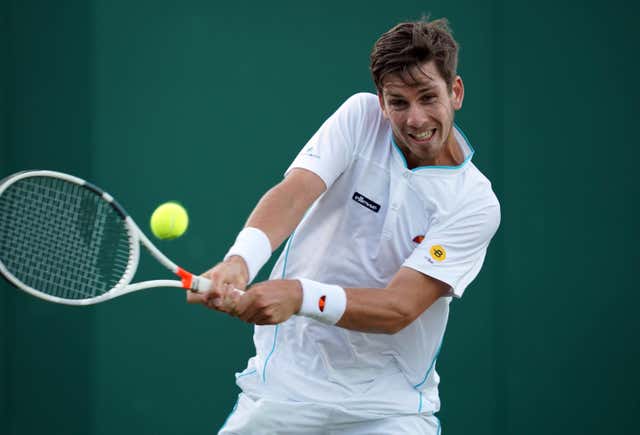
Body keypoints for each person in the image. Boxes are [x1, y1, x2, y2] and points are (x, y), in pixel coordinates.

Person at [189, 17, 500, 435]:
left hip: (388, 412)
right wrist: (240, 261)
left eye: (429, 97)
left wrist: (299, 295)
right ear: (380, 100)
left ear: (455, 91)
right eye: (399, 102)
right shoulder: (358, 117)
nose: (415, 118)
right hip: (285, 392)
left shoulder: (474, 203)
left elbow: (398, 308)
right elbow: (295, 191)